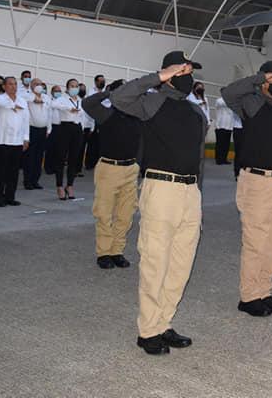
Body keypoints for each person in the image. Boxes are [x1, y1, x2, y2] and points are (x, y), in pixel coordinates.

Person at [110, 51, 206, 355]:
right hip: (162, 188)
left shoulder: (196, 111)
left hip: (190, 192)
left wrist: (197, 193)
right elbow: (119, 97)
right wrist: (159, 77)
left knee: (180, 264)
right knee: (155, 261)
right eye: (182, 70)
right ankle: (148, 330)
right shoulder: (152, 102)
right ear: (169, 73)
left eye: (190, 70)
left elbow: (198, 157)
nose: (188, 75)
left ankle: (164, 322)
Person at [222, 60, 272, 318]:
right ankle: (249, 296)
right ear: (263, 81)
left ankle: (263, 290)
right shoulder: (251, 103)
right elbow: (228, 93)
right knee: (256, 241)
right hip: (259, 182)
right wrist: (258, 79)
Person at [83, 79, 140, 270]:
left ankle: (117, 251)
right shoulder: (106, 114)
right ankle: (104, 252)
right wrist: (109, 93)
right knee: (104, 213)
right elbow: (87, 103)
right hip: (109, 169)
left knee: (125, 214)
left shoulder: (137, 115)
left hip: (130, 169)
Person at [0, 77, 30, 208]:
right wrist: (13, 105)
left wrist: (26, 138)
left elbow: (26, 120)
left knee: (13, 172)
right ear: (4, 86)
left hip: (17, 141)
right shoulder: (0, 98)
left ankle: (10, 196)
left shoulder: (22, 101)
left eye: (15, 84)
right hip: (2, 141)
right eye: (10, 84)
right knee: (0, 171)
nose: (13, 86)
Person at [51, 78, 83, 201]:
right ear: (67, 88)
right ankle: (59, 186)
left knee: (73, 159)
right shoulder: (62, 99)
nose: (74, 88)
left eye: (76, 86)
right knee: (61, 158)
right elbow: (53, 104)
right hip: (65, 128)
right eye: (72, 86)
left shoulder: (80, 100)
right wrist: (68, 109)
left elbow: (82, 115)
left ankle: (70, 185)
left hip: (77, 129)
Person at [23, 78, 49, 190]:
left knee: (39, 156)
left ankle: (35, 180)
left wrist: (48, 129)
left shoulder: (46, 97)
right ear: (31, 86)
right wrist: (34, 99)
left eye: (40, 84)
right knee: (30, 157)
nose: (38, 86)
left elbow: (49, 113)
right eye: (36, 84)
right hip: (31, 129)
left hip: (43, 130)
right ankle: (28, 181)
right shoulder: (27, 95)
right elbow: (22, 97)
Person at [213, 96, 237, 165]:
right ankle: (218, 159)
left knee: (226, 144)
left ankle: (224, 159)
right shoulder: (219, 100)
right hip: (220, 126)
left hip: (229, 126)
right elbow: (222, 104)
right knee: (220, 144)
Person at [78, 82, 93, 178]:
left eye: (84, 89)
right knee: (77, 149)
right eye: (81, 89)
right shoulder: (75, 100)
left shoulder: (87, 101)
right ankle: (74, 168)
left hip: (87, 128)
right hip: (79, 128)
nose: (82, 90)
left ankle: (78, 169)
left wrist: (92, 127)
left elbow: (91, 115)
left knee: (83, 149)